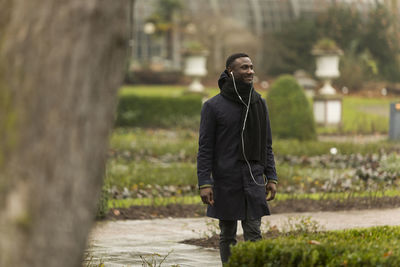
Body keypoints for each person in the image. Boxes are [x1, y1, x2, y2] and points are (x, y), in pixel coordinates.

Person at [197, 53, 278, 264]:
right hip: (226, 180)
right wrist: (205, 183)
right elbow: (205, 148)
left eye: (251, 67)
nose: (250, 71)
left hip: (253, 180)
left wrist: (271, 177)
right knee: (227, 235)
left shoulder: (259, 103)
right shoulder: (213, 107)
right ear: (230, 72)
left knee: (254, 233)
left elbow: (266, 144)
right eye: (244, 68)